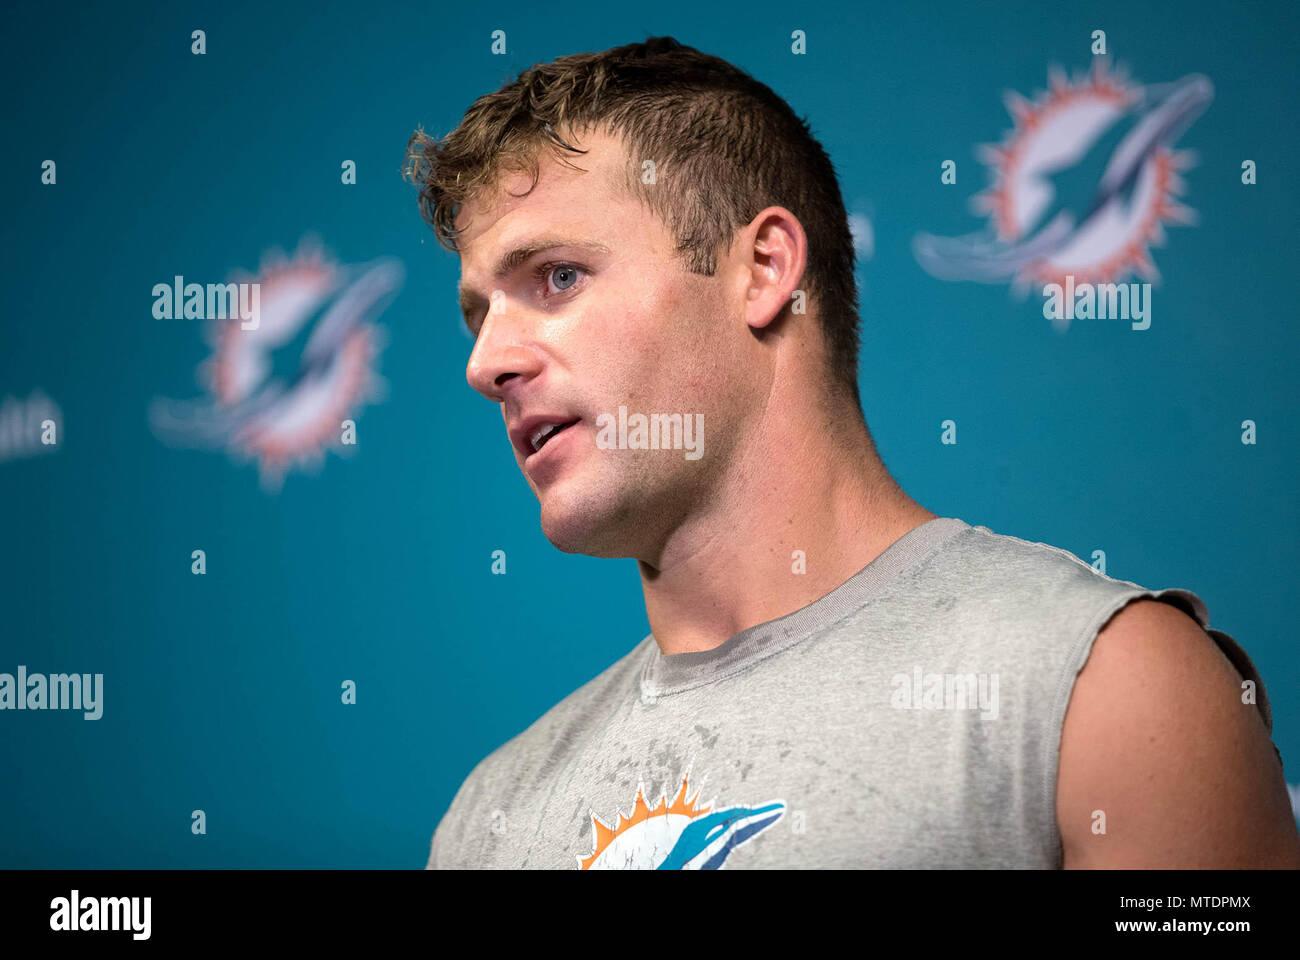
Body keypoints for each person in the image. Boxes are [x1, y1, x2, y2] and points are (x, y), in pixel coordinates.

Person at [403, 36, 1300, 869]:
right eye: (479, 315)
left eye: (557, 278)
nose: (486, 365)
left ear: (762, 270)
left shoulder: (1109, 691)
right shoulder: (491, 818)